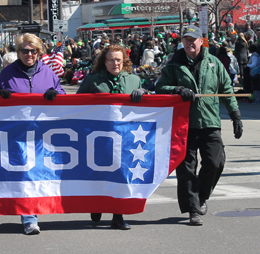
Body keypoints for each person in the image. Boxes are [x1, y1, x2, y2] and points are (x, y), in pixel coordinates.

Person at [155, 25, 242, 226]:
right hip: (184, 124)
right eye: (185, 40)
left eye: (192, 40)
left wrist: (235, 115)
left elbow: (226, 88)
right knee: (186, 169)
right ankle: (193, 209)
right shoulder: (174, 64)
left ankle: (201, 196)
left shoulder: (214, 62)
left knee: (215, 162)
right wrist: (177, 89)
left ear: (201, 42)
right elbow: (160, 89)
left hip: (210, 121)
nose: (188, 43)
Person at [0, 33, 66, 235]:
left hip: (43, 135)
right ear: (18, 52)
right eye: (24, 51)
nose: (29, 54)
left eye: (33, 51)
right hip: (17, 135)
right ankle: (29, 217)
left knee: (40, 174)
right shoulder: (7, 74)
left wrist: (56, 95)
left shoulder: (48, 73)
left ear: (39, 52)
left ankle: (37, 210)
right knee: (25, 174)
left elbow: (64, 98)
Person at [77, 44, 146, 230]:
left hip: (125, 137)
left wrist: (144, 93)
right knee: (99, 173)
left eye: (118, 59)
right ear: (104, 61)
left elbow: (147, 106)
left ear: (124, 61)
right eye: (111, 59)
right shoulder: (93, 80)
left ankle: (118, 215)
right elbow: (77, 104)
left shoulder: (133, 80)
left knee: (121, 175)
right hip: (99, 137)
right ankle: (97, 204)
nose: (115, 63)